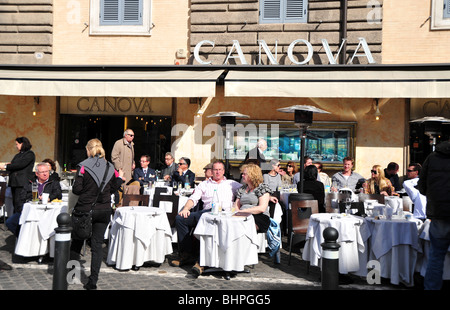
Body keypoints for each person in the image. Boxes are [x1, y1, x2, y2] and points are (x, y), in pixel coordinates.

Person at [70, 138, 124, 290]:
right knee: (97, 246)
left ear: (88, 150)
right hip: (104, 209)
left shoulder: (83, 167)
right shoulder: (110, 166)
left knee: (77, 241)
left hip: (86, 209)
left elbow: (77, 190)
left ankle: (71, 274)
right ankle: (93, 281)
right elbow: (113, 187)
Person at [170, 160, 241, 275]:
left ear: (223, 171)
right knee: (180, 219)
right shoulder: (204, 184)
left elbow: (249, 191)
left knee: (209, 221)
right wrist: (186, 209)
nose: (217, 172)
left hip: (224, 215)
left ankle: (201, 261)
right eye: (215, 170)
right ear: (211, 171)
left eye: (220, 170)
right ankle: (186, 254)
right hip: (206, 213)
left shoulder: (232, 184)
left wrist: (268, 196)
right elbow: (193, 198)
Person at [418, 139, 450, 290]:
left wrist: (434, 197)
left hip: (438, 213)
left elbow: (421, 186)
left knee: (436, 257)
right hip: (439, 213)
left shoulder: (432, 157)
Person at [0, 137, 35, 237]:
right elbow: (13, 163)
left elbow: (19, 165)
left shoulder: (29, 154)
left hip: (22, 184)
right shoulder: (18, 155)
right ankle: (17, 229)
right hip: (15, 183)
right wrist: (9, 165)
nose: (16, 146)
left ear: (23, 143)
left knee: (20, 205)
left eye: (17, 144)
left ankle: (21, 229)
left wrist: (6, 166)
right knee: (16, 204)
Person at [235, 163, 272, 233]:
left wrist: (242, 212)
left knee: (245, 226)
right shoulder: (242, 189)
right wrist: (238, 213)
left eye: (244, 174)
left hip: (259, 217)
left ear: (252, 175)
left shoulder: (262, 188)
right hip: (242, 216)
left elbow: (262, 208)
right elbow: (236, 205)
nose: (242, 175)